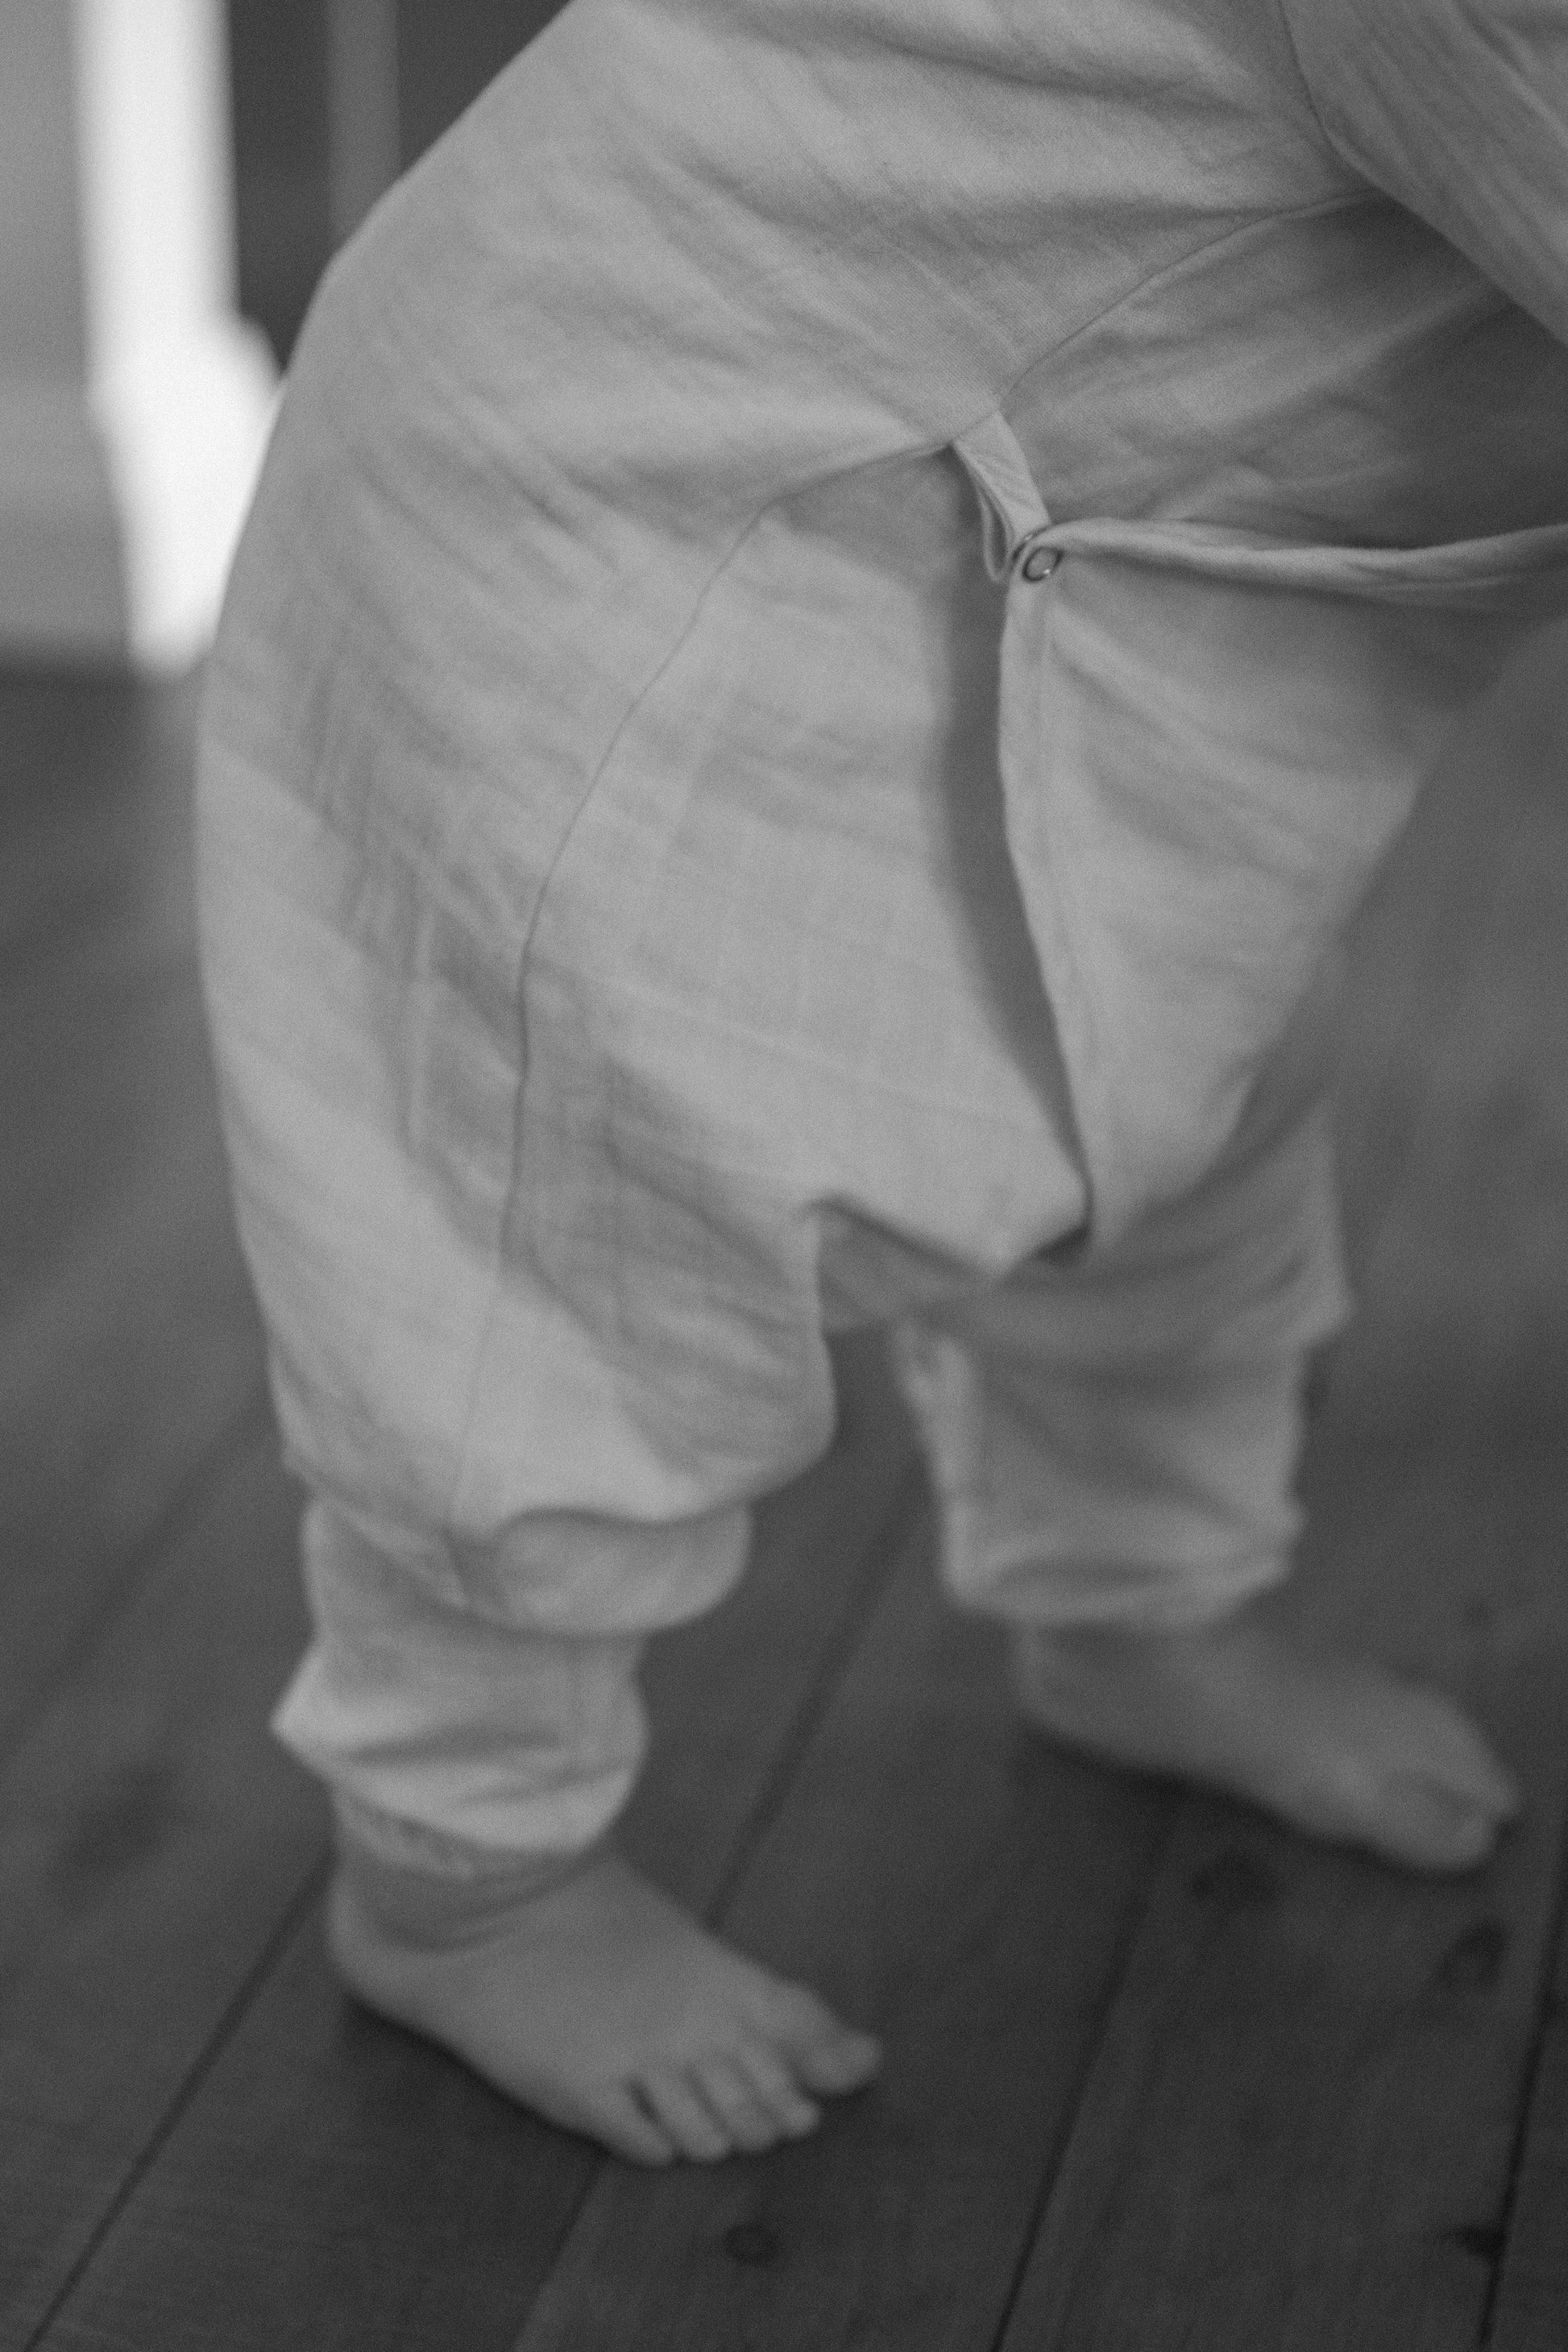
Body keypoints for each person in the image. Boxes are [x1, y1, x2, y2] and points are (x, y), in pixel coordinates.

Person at [197, 0, 1568, 2165]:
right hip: (642, 486)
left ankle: (1136, 1613)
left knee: (1186, 1102)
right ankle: (469, 1884)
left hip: (1058, 507)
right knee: (573, 1222)